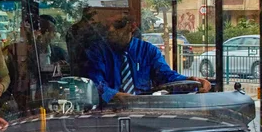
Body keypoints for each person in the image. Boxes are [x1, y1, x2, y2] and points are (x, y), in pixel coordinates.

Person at [80, 7, 210, 105]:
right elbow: (94, 85)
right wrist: (117, 96)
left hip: (144, 109)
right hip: (110, 112)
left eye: (118, 24)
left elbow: (166, 77)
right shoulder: (97, 52)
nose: (111, 30)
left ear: (132, 27)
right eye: (107, 26)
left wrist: (191, 81)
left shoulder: (148, 51)